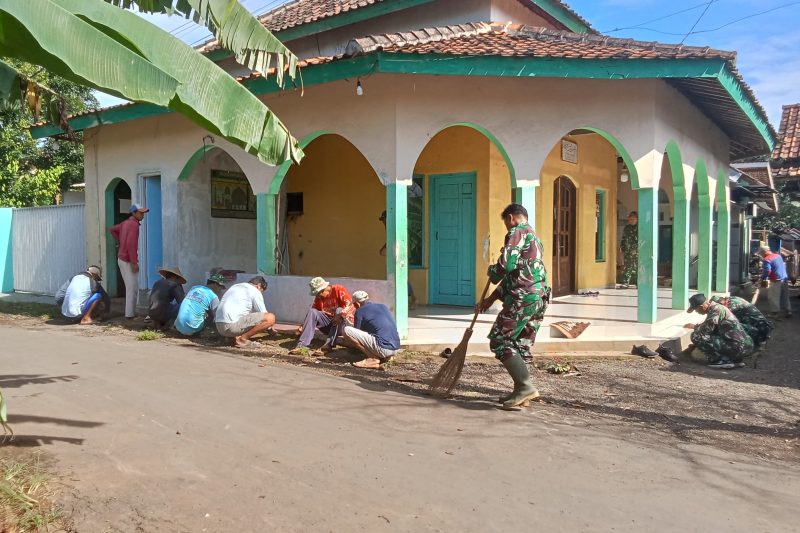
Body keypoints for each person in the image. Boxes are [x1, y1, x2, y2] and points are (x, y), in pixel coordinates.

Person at [477, 203, 550, 410]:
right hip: (538, 297)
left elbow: (505, 266)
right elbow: (517, 274)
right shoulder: (536, 240)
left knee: (500, 340)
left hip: (523, 297)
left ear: (511, 218)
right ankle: (522, 392)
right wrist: (491, 299)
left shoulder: (517, 232)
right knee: (521, 344)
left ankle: (525, 387)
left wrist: (493, 271)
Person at [684, 293, 754, 369]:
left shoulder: (716, 310)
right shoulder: (717, 308)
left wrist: (695, 327)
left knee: (696, 336)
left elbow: (706, 330)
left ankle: (721, 360)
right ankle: (734, 360)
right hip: (743, 346)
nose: (697, 312)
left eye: (696, 310)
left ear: (702, 306)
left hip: (738, 347)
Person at [289, 277, 355, 356]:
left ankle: (328, 345)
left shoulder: (338, 289)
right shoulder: (319, 297)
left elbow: (351, 305)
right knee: (312, 311)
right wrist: (302, 326)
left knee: (339, 310)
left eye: (318, 293)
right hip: (327, 325)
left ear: (324, 289)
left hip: (341, 325)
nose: (317, 295)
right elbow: (313, 313)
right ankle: (302, 345)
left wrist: (341, 315)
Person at [343, 290, 401, 369]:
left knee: (347, 330)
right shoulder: (383, 306)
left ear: (357, 303)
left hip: (383, 348)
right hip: (396, 348)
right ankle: (387, 357)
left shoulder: (360, 311)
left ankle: (372, 358)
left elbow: (358, 331)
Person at [110, 203, 149, 319]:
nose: (142, 215)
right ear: (134, 213)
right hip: (127, 260)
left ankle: (129, 314)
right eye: (140, 213)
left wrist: (119, 241)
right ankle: (130, 315)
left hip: (121, 258)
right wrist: (134, 262)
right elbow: (132, 244)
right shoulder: (133, 225)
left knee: (130, 287)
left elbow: (112, 230)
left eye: (143, 213)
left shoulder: (125, 223)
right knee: (132, 288)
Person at [215, 276, 275, 348]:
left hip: (219, 327)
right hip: (231, 327)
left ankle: (229, 338)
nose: (261, 293)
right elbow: (264, 313)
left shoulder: (235, 287)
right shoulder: (255, 291)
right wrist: (270, 328)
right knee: (270, 318)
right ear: (258, 286)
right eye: (262, 291)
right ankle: (242, 340)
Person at [757, 245, 792, 318]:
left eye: (761, 254)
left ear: (764, 252)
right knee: (785, 296)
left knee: (773, 297)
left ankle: (774, 313)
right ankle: (788, 311)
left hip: (775, 280)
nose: (761, 255)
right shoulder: (778, 256)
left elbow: (767, 271)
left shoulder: (767, 259)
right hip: (784, 278)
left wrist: (762, 279)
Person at [619, 211, 638, 288]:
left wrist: (636, 249)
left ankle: (639, 283)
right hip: (628, 251)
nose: (631, 220)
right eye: (630, 219)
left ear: (637, 219)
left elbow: (641, 240)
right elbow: (624, 238)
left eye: (633, 219)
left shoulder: (640, 228)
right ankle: (625, 283)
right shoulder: (627, 228)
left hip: (637, 252)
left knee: (638, 267)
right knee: (627, 266)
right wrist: (622, 248)